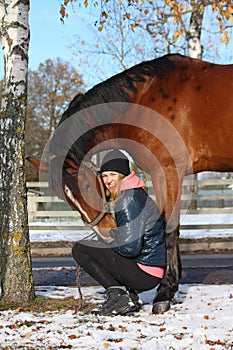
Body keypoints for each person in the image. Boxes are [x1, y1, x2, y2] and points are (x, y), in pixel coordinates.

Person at [72, 149, 166, 316]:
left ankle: (120, 297)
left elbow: (130, 248)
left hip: (145, 272)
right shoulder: (135, 193)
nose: (108, 180)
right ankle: (128, 296)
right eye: (105, 175)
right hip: (152, 269)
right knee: (95, 248)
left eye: (113, 175)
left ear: (122, 175)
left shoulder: (127, 199)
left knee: (81, 249)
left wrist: (109, 242)